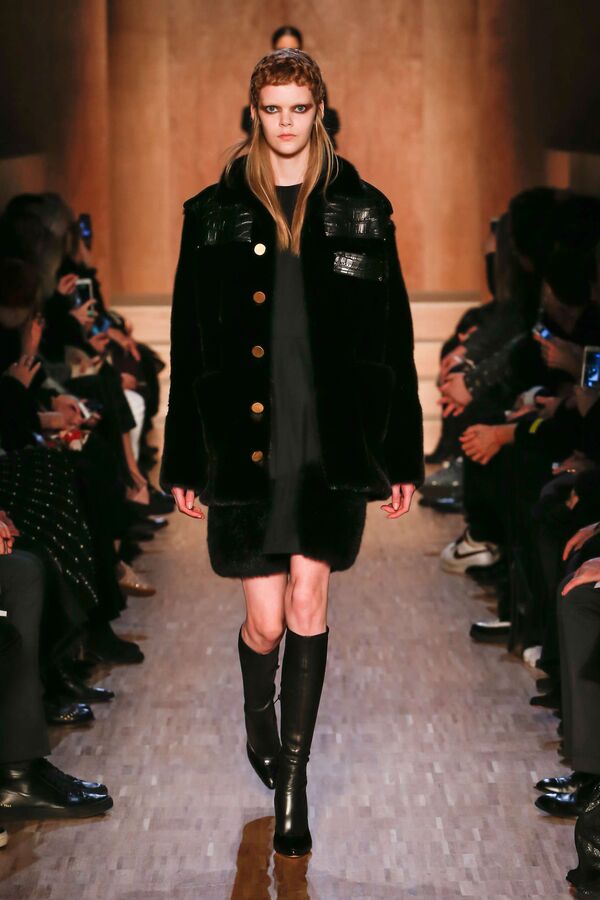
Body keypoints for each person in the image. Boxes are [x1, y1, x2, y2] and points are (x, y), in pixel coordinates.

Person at [161, 49, 423, 858]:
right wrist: (183, 460)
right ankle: (258, 723)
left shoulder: (363, 210)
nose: (285, 123)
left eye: (298, 109)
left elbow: (393, 334)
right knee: (265, 623)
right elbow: (188, 337)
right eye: (272, 109)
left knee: (310, 604)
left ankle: (292, 785)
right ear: (254, 113)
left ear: (320, 111)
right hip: (243, 441)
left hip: (329, 438)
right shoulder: (212, 213)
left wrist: (401, 456)